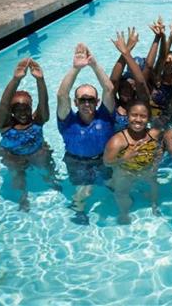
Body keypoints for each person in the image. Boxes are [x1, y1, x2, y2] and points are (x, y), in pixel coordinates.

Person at [57, 43, 115, 225]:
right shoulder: (68, 120)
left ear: (97, 101)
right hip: (77, 162)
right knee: (85, 192)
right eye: (83, 99)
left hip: (102, 160)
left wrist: (94, 64)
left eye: (91, 99)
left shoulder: (105, 117)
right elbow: (61, 95)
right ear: (76, 102)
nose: (87, 103)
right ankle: (78, 211)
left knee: (113, 185)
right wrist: (75, 68)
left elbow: (110, 89)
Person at [0, 58, 58, 211]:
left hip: (36, 151)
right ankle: (23, 197)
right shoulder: (4, 125)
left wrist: (40, 80)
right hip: (13, 154)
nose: (23, 113)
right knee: (17, 175)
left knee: (45, 158)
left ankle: (51, 180)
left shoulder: (38, 120)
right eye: (18, 110)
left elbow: (44, 101)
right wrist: (16, 79)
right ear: (11, 111)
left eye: (26, 109)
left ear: (31, 108)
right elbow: (4, 103)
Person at [103, 101, 162, 224]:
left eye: (143, 116)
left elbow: (159, 149)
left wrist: (156, 163)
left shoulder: (154, 134)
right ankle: (124, 213)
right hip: (125, 171)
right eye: (134, 115)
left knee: (154, 185)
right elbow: (107, 162)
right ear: (127, 116)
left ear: (149, 118)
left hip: (146, 169)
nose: (138, 120)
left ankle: (154, 205)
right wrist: (124, 157)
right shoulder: (118, 141)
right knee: (120, 193)